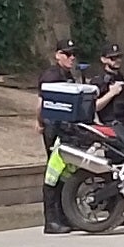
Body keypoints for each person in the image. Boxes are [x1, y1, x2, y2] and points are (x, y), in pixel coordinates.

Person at [37, 40, 81, 234]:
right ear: (57, 55)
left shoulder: (68, 76)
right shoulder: (51, 76)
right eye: (67, 54)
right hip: (53, 129)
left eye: (73, 54)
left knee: (65, 174)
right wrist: (39, 121)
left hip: (66, 129)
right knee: (53, 175)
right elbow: (41, 102)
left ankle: (63, 216)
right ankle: (51, 220)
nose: (71, 58)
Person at [92, 44, 124, 125]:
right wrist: (111, 93)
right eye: (113, 58)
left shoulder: (122, 78)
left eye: (119, 57)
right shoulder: (99, 80)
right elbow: (94, 107)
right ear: (103, 59)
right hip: (109, 125)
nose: (117, 60)